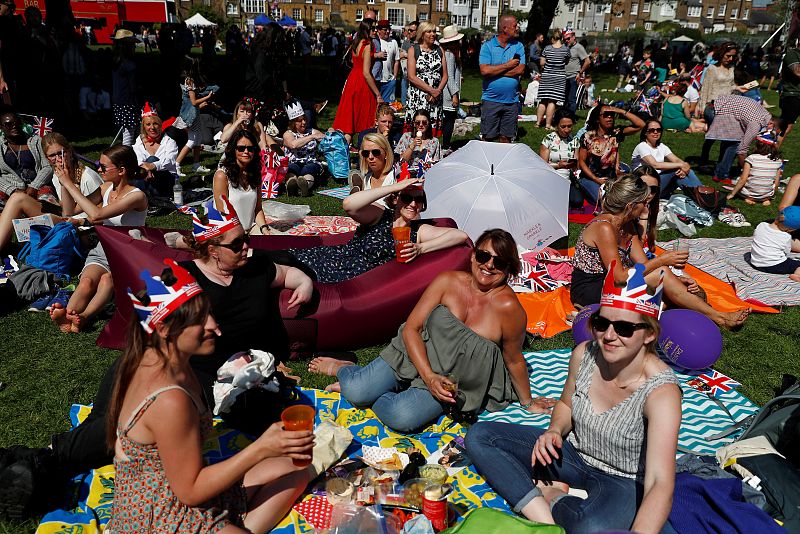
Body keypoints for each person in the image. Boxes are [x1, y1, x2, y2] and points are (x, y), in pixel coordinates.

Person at [0, 200, 317, 521]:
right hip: (176, 372)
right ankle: (37, 467)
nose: (247, 247)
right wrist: (81, 315)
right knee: (107, 430)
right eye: (236, 243)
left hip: (218, 379)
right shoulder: (184, 281)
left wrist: (302, 286)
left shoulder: (255, 268)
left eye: (245, 237)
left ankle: (36, 465)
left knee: (113, 432)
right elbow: (146, 318)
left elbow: (288, 273)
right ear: (211, 248)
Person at [466, 263, 681, 533]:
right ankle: (540, 511)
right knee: (480, 436)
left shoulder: (661, 392)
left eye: (624, 328)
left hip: (621, 479)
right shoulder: (585, 353)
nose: (609, 336)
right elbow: (566, 404)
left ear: (649, 334)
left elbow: (660, 481)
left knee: (591, 527)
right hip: (572, 455)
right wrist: (554, 430)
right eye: (601, 323)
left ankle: (553, 496)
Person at [107, 260, 314, 532]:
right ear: (165, 329)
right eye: (199, 319)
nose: (215, 326)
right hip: (161, 513)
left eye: (210, 313)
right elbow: (189, 493)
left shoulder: (160, 357)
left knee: (298, 469)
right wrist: (261, 447)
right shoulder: (170, 399)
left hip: (175, 484)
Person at [308, 228, 555, 432]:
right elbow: (412, 329)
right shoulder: (447, 281)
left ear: (509, 270)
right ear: (472, 256)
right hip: (414, 354)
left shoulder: (509, 309)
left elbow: (513, 359)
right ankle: (344, 369)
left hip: (450, 378)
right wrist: (428, 376)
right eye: (483, 256)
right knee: (357, 391)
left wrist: (528, 402)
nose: (488, 265)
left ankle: (371, 386)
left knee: (401, 417)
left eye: (499, 262)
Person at [570, 174, 749, 328]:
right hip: (590, 288)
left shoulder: (628, 226)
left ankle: (700, 309)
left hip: (614, 283)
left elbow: (642, 265)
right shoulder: (604, 228)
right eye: (644, 203)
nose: (647, 207)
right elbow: (618, 277)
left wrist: (675, 279)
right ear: (631, 205)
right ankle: (719, 317)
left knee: (664, 281)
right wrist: (663, 261)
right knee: (661, 274)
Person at [284, 179, 466, 284]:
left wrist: (421, 248)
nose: (412, 204)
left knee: (277, 271)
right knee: (277, 259)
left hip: (350, 276)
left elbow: (460, 236)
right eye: (406, 197)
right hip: (333, 257)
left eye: (418, 200)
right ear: (395, 199)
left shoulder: (417, 231)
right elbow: (349, 204)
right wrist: (396, 186)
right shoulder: (381, 215)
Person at [49, 145, 148, 333]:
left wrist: (69, 183)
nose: (99, 170)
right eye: (98, 165)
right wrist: (64, 183)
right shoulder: (105, 188)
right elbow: (69, 211)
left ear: (121, 170)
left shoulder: (137, 196)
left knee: (106, 280)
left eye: (103, 166)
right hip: (104, 248)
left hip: (128, 253)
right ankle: (68, 314)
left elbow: (96, 215)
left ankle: (84, 318)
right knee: (86, 282)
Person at [0, 132, 102, 252]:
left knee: (20, 202)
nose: (58, 158)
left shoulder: (88, 177)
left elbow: (99, 215)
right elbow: (66, 210)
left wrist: (65, 182)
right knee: (16, 200)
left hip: (84, 228)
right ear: (46, 158)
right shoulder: (55, 174)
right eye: (52, 155)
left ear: (69, 151)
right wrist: (64, 181)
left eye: (61, 153)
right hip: (65, 218)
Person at [576, 104, 645, 207]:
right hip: (589, 177)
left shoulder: (616, 133)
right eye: (606, 115)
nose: (609, 118)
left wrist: (620, 111)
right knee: (605, 201)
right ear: (598, 119)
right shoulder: (588, 136)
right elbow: (581, 161)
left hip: (610, 178)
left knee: (627, 196)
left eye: (612, 115)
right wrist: (596, 179)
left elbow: (641, 125)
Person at [704, 94, 771, 186]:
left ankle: (718, 172)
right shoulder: (757, 122)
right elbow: (742, 150)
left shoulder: (765, 113)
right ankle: (722, 175)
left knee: (728, 142)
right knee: (735, 144)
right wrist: (746, 170)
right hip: (715, 111)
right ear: (771, 123)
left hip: (711, 108)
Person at [332, 21, 381, 144]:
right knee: (366, 118)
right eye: (373, 28)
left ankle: (344, 154)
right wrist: (378, 94)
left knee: (350, 120)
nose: (375, 31)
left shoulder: (356, 42)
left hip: (352, 79)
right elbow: (366, 72)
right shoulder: (368, 44)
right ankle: (364, 149)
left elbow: (354, 62)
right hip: (362, 83)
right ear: (366, 30)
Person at [478, 15, 524, 142]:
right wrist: (508, 65)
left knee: (506, 138)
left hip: (511, 101)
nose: (517, 28)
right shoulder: (488, 46)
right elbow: (484, 70)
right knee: (488, 137)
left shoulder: (518, 46)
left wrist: (494, 71)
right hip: (491, 100)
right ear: (505, 28)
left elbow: (520, 70)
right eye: (515, 26)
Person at [630, 119, 702, 199]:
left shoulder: (662, 147)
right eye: (652, 130)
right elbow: (655, 164)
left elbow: (676, 160)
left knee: (683, 172)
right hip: (643, 187)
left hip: (659, 185)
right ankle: (703, 196)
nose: (656, 132)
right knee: (675, 171)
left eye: (659, 130)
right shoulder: (642, 146)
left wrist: (684, 168)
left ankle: (701, 196)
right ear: (646, 132)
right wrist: (682, 165)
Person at [0, 108, 54, 213]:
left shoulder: (36, 141)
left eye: (17, 123)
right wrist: (12, 190)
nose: (14, 126)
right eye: (8, 124)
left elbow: (47, 166)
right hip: (10, 187)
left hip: (38, 186)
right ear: (1, 127)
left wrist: (34, 186)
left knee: (48, 202)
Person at [174, 58, 217, 176]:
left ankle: (196, 165)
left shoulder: (187, 80)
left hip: (194, 114)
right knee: (192, 140)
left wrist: (202, 104)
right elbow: (193, 102)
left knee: (197, 139)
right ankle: (176, 164)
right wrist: (207, 97)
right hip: (191, 116)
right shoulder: (190, 81)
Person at [405, 21, 447, 136]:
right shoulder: (413, 50)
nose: (433, 34)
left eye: (434, 31)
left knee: (431, 132)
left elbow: (445, 75)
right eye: (429, 31)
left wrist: (437, 91)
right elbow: (411, 76)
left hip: (436, 97)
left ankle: (431, 151)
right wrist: (431, 90)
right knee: (417, 129)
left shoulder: (439, 50)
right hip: (418, 96)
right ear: (422, 34)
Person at [131, 103, 179, 200]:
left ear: (160, 125)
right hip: (145, 177)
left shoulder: (169, 142)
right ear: (144, 127)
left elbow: (170, 161)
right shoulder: (139, 141)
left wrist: (152, 166)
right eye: (148, 124)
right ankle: (143, 198)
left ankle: (138, 198)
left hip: (166, 181)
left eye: (155, 124)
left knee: (152, 159)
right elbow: (137, 159)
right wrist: (146, 169)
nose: (152, 127)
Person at [726, 129, 782, 206]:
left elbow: (743, 179)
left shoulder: (751, 158)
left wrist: (732, 194)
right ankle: (765, 200)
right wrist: (771, 196)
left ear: (759, 144)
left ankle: (748, 198)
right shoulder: (778, 161)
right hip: (767, 195)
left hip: (750, 194)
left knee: (738, 179)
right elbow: (776, 182)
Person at [283, 101, 326, 197]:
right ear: (293, 122)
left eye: (305, 119)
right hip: (294, 162)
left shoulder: (312, 131)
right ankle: (291, 185)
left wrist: (329, 133)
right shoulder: (288, 134)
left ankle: (305, 186)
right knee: (291, 169)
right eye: (300, 121)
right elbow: (293, 145)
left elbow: (325, 138)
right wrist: (311, 137)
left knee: (309, 169)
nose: (304, 122)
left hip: (310, 162)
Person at [539, 108, 579, 207]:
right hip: (551, 177)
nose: (567, 130)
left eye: (569, 126)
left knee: (577, 201)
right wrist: (558, 165)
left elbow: (576, 165)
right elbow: (542, 166)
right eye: (563, 127)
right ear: (557, 125)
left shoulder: (574, 140)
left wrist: (574, 166)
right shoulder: (549, 139)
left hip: (568, 178)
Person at [749, 206, 800, 282]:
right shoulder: (785, 236)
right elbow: (786, 252)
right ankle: (797, 275)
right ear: (790, 229)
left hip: (755, 262)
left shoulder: (761, 225)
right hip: (773, 266)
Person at [536, 29, 570, 130]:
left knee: (543, 100)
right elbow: (566, 62)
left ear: (553, 38)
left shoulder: (547, 48)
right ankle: (547, 125)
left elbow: (542, 63)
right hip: (559, 77)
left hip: (547, 76)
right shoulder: (566, 49)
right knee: (552, 101)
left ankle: (538, 123)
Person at [110, 30, 139, 146]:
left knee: (131, 131)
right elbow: (133, 87)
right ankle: (125, 158)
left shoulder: (116, 61)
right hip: (128, 102)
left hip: (119, 100)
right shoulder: (129, 64)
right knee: (129, 134)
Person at [349, 133, 396, 201]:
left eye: (376, 152)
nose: (370, 157)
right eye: (366, 153)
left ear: (386, 153)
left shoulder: (395, 178)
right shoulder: (366, 179)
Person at [440, 25, 464, 152]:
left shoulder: (452, 55)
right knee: (449, 120)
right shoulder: (449, 55)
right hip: (448, 94)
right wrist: (455, 94)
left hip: (450, 91)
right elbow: (448, 76)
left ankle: (446, 144)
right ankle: (445, 145)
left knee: (449, 119)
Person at [697, 42, 737, 116]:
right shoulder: (712, 68)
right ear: (722, 54)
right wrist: (702, 107)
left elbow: (730, 85)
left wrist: (738, 88)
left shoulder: (731, 68)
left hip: (728, 105)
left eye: (733, 56)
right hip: (713, 106)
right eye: (728, 56)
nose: (730, 59)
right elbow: (705, 88)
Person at [563, 28, 590, 115]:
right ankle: (565, 115)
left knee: (571, 98)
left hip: (573, 76)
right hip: (564, 76)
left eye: (568, 38)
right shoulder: (566, 47)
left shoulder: (579, 47)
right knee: (565, 98)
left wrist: (580, 72)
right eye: (565, 39)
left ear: (573, 37)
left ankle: (571, 116)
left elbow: (587, 61)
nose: (567, 40)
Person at [780, 40, 800, 148]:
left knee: (788, 126)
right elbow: (798, 71)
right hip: (792, 95)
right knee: (785, 127)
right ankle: (767, 152)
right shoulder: (792, 54)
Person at [376, 20, 399, 103]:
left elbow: (397, 61)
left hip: (389, 81)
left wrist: (395, 77)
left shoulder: (394, 42)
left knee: (388, 107)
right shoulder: (375, 42)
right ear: (378, 30)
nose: (388, 31)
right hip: (377, 80)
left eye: (389, 29)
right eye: (385, 29)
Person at [399, 21, 419, 106]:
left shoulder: (420, 43)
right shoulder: (406, 42)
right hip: (405, 74)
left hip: (417, 76)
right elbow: (401, 56)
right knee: (404, 98)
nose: (409, 32)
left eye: (411, 30)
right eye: (408, 30)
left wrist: (406, 55)